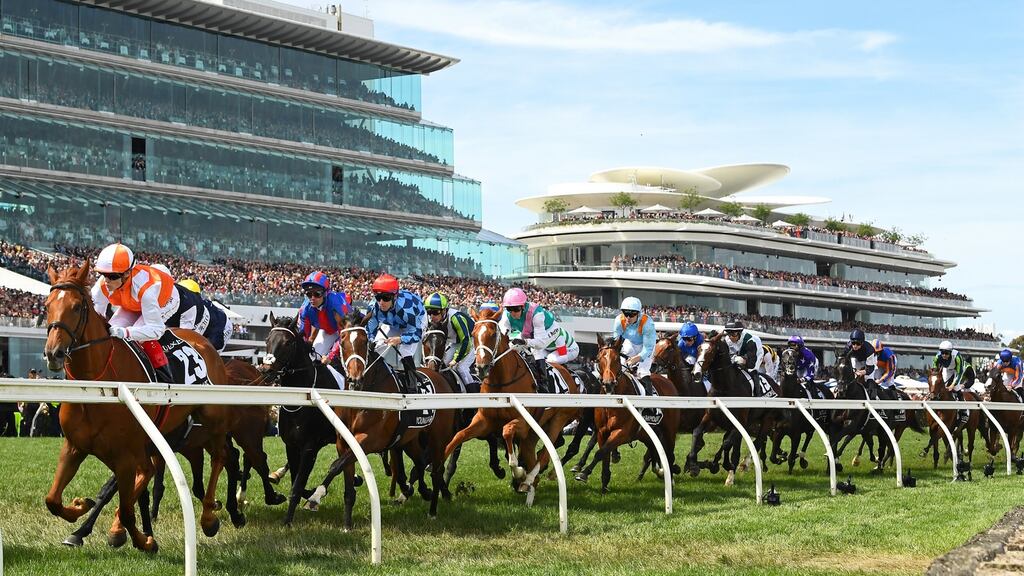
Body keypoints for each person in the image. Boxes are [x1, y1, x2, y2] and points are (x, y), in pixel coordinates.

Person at [91, 243, 179, 383]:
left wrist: (126, 333)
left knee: (137, 338)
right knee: (109, 336)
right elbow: (96, 321)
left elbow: (156, 330)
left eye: (112, 276)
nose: (106, 280)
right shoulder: (101, 287)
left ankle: (164, 378)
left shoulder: (146, 290)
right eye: (103, 275)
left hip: (165, 301)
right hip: (133, 303)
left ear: (127, 273)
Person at [499, 287, 578, 394]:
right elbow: (502, 334)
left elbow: (540, 344)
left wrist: (525, 342)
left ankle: (543, 385)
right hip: (541, 340)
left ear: (523, 306)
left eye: (516, 309)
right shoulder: (506, 315)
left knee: (539, 352)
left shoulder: (537, 315)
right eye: (509, 309)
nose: (512, 313)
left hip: (562, 344)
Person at [365, 273, 426, 395]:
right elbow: (370, 331)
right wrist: (371, 341)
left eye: (386, 298)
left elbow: (416, 334)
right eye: (378, 297)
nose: (381, 302)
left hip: (415, 322)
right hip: (394, 323)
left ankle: (412, 389)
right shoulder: (373, 307)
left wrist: (400, 339)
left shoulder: (406, 309)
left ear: (395, 296)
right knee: (376, 347)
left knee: (404, 352)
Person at [422, 292, 476, 391]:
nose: (432, 316)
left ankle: (472, 394)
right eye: (429, 312)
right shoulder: (431, 320)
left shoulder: (456, 318)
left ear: (444, 310)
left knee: (461, 368)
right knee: (443, 364)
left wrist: (455, 360)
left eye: (435, 312)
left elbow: (466, 342)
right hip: (455, 342)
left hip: (471, 342)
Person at [295, 271, 351, 360]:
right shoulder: (304, 309)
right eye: (309, 294)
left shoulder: (335, 305)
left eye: (317, 294)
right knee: (314, 358)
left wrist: (330, 355)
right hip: (330, 331)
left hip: (350, 330)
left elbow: (345, 334)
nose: (312, 298)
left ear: (325, 293)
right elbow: (304, 336)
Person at [169, 278, 233, 352]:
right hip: (206, 327)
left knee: (208, 352)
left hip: (223, 326)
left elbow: (217, 343)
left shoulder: (212, 315)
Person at [611, 296, 657, 395]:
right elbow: (616, 342)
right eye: (625, 313)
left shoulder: (647, 323)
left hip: (646, 347)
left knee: (642, 371)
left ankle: (650, 405)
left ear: (638, 313)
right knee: (619, 369)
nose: (628, 317)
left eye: (631, 315)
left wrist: (635, 359)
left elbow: (647, 348)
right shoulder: (619, 321)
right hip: (630, 343)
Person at [723, 320, 763, 391]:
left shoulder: (750, 341)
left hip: (756, 353)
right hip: (739, 354)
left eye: (733, 334)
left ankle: (757, 393)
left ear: (740, 333)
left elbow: (751, 364)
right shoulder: (726, 340)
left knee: (752, 371)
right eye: (729, 334)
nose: (731, 337)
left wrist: (742, 361)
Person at [869, 339, 902, 420]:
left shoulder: (889, 355)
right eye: (875, 352)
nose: (876, 354)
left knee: (889, 382)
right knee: (873, 381)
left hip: (889, 364)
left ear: (881, 350)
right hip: (879, 365)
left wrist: (881, 380)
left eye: (878, 352)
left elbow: (889, 372)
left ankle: (897, 408)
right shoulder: (870, 354)